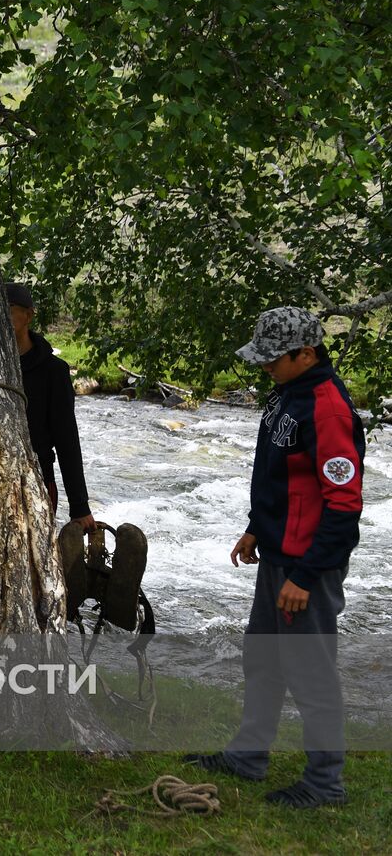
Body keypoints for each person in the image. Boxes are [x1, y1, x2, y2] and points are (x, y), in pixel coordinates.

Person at [186, 307, 365, 808]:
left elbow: (344, 502)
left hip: (306, 566)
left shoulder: (328, 409)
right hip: (278, 554)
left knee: (311, 672)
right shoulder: (287, 392)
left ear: (304, 353)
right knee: (262, 660)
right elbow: (282, 477)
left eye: (272, 359)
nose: (264, 367)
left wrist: (305, 576)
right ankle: (248, 755)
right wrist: (254, 528)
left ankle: (325, 783)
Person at [6, 283, 96, 531]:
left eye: (11, 309)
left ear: (29, 315)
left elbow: (67, 438)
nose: (5, 315)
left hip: (37, 479)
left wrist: (79, 506)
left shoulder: (53, 371)